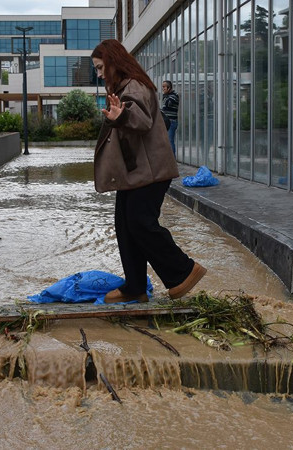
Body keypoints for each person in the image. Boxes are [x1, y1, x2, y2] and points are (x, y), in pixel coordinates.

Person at [91, 40, 206, 303]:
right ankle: (135, 287)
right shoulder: (124, 87)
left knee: (140, 223)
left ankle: (184, 271)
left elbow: (141, 120)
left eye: (100, 68)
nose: (98, 74)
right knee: (125, 225)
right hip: (137, 173)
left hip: (150, 173)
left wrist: (120, 116)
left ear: (113, 62)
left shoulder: (134, 86)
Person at [161, 80, 179, 155]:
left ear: (169, 88)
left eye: (164, 87)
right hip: (166, 122)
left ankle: (173, 161)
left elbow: (168, 103)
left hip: (171, 122)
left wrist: (165, 95)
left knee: (170, 141)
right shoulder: (167, 96)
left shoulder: (174, 96)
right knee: (166, 142)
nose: (163, 89)